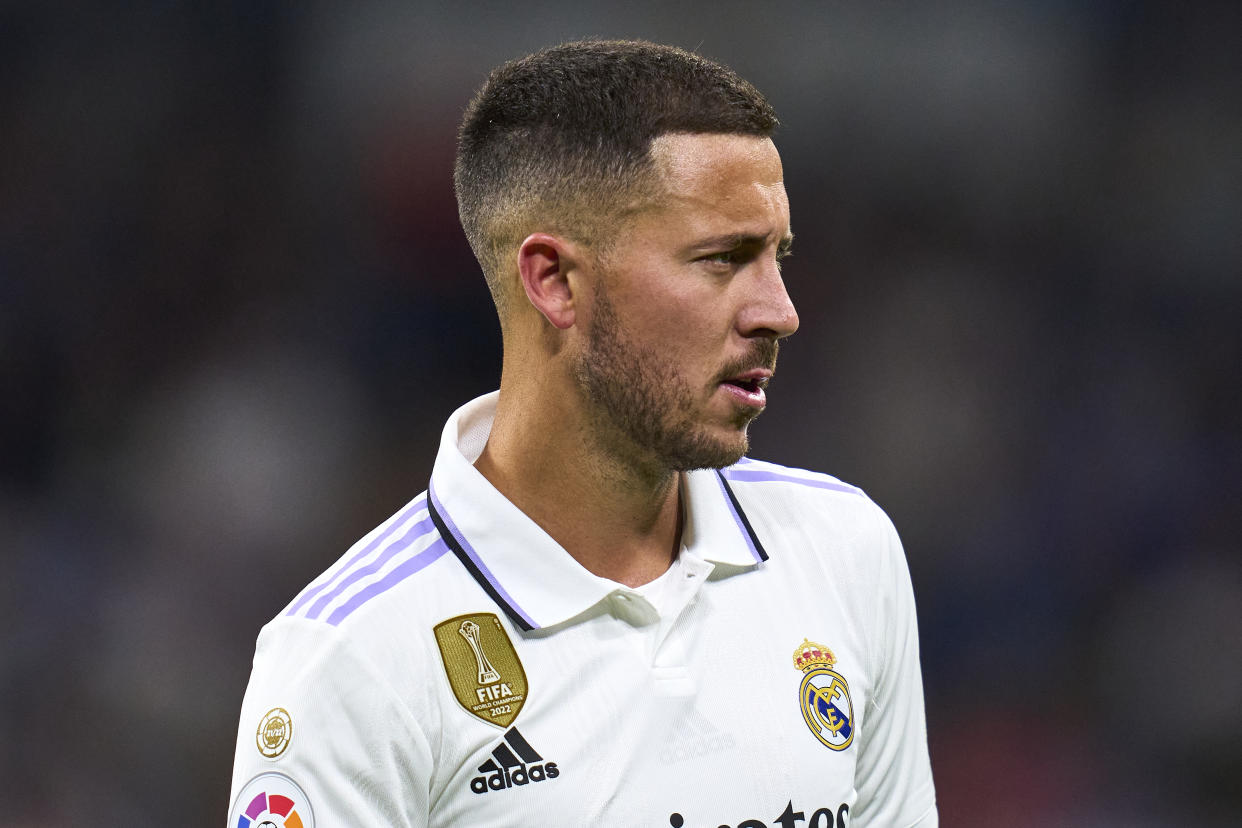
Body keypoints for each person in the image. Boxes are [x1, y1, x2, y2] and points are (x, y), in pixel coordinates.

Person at [228, 39, 936, 828]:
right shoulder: (353, 659)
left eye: (777, 256)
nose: (779, 310)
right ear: (555, 281)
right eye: (722, 259)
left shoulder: (844, 551)